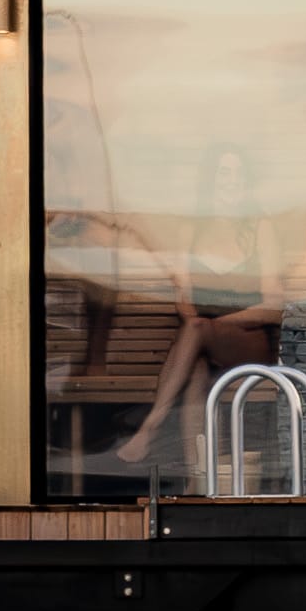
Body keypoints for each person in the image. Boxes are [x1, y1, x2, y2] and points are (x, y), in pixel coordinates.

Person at [117, 145, 283, 467]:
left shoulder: (260, 227)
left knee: (195, 329)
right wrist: (200, 326)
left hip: (246, 343)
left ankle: (150, 427)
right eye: (224, 173)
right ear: (211, 180)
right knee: (195, 370)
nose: (231, 181)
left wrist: (220, 325)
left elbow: (275, 305)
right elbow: (183, 297)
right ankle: (198, 476)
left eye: (239, 174)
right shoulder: (190, 230)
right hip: (201, 342)